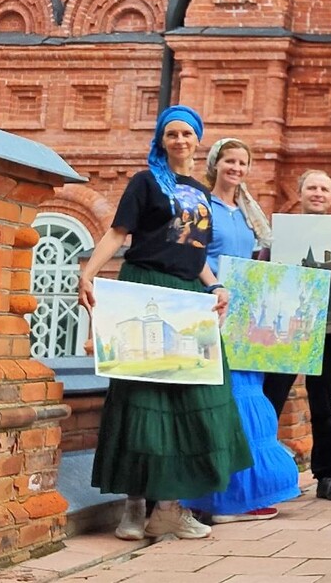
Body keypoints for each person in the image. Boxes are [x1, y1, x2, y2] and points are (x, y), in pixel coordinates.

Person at [78, 105, 252, 540]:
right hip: (146, 289)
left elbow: (194, 254)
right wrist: (88, 273)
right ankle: (134, 506)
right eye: (171, 134)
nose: (179, 140)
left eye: (186, 134)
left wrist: (216, 287)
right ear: (161, 139)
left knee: (195, 399)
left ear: (197, 140)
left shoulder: (201, 191)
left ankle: (172, 508)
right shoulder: (145, 182)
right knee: (141, 397)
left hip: (189, 299)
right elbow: (119, 234)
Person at [180, 139, 301, 522]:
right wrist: (214, 287)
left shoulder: (247, 212)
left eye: (242, 162)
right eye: (229, 161)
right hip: (209, 309)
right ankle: (218, 499)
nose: (235, 168)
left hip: (242, 317)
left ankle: (244, 496)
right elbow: (193, 253)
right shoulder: (204, 205)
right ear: (215, 164)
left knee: (250, 400)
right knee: (222, 402)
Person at [263, 170, 331, 501]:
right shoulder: (280, 237)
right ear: (299, 194)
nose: (317, 193)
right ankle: (264, 471)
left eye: (324, 189)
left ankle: (327, 475)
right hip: (285, 328)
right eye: (311, 187)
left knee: (323, 403)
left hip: (328, 329)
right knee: (271, 397)